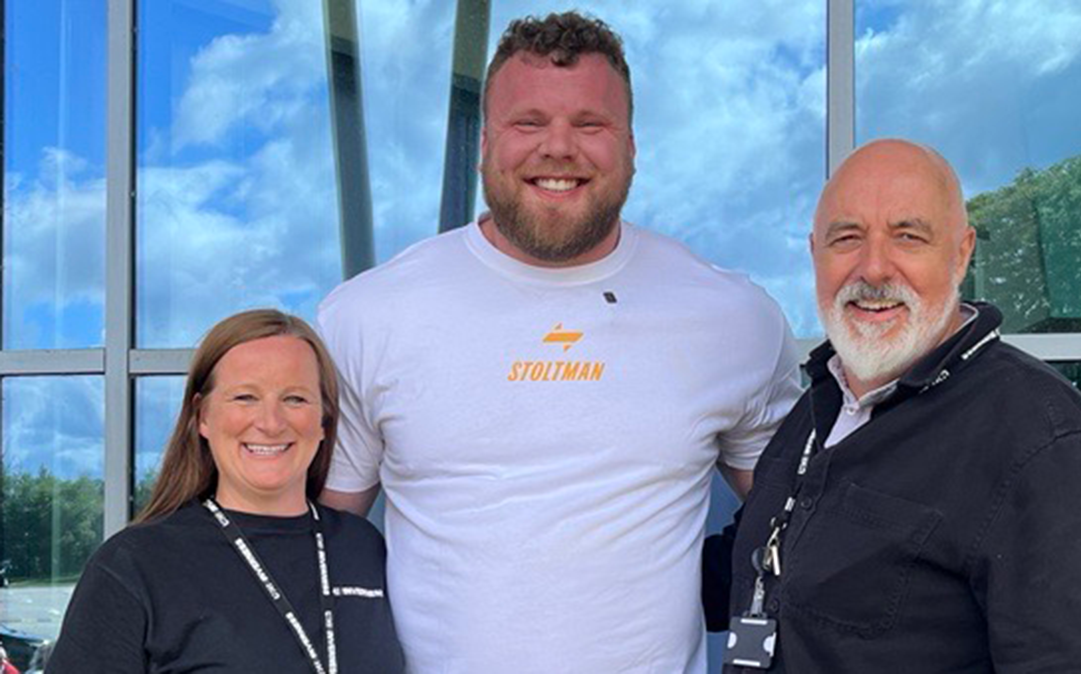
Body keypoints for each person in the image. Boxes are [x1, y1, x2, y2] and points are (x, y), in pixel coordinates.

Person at [317, 10, 802, 674]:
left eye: (590, 124)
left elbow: (800, 526)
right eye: (529, 123)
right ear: (485, 142)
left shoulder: (734, 318)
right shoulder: (369, 315)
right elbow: (310, 547)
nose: (559, 148)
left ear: (631, 145)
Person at [725, 139, 1081, 672]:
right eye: (847, 238)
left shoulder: (1037, 436)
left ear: (961, 253)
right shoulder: (816, 407)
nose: (873, 269)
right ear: (813, 252)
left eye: (907, 236)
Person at [47, 310, 404, 673]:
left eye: (295, 399)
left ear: (324, 419)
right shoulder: (135, 565)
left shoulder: (363, 548)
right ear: (202, 416)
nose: (270, 422)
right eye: (245, 397)